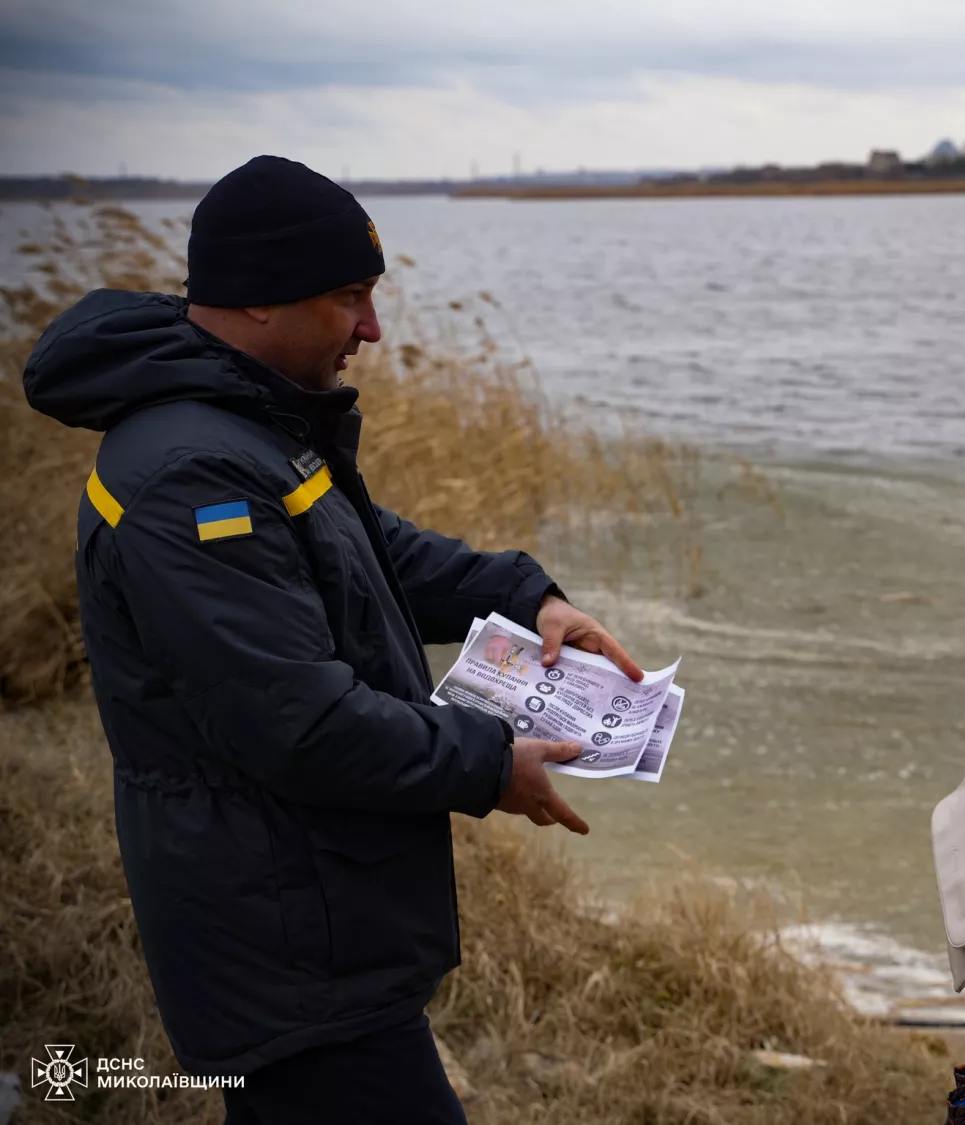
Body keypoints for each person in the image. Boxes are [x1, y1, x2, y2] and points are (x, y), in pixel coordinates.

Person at [24, 155, 643, 1124]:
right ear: (261, 300)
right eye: (349, 298)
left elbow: (368, 550)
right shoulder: (193, 478)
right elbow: (300, 722)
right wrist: (492, 766)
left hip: (316, 912)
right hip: (282, 939)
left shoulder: (243, 416)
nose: (373, 328)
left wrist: (529, 597)